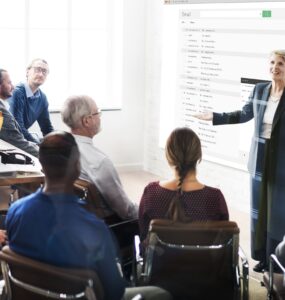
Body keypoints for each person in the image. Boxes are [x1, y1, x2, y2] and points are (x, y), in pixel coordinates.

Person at [6, 131, 172, 300]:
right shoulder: (93, 229)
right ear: (77, 167)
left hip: (30, 295)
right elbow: (114, 291)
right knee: (161, 294)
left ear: (41, 163)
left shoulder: (15, 212)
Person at [194, 49, 285, 272]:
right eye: (272, 62)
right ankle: (261, 258)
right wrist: (215, 116)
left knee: (276, 213)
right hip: (259, 157)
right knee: (257, 211)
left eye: (280, 63)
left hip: (281, 160)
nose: (275, 67)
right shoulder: (260, 89)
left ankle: (276, 260)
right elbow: (244, 114)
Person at [138, 127, 229, 243]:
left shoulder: (151, 192)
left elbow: (143, 234)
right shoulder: (215, 198)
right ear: (199, 156)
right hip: (204, 261)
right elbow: (224, 241)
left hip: (162, 261)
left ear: (168, 156)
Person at [61, 95, 138, 220]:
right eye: (98, 113)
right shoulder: (99, 162)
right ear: (87, 121)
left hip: (72, 219)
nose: (100, 117)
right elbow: (126, 211)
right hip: (108, 227)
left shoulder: (58, 149)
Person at [9, 58, 54, 143]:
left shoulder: (42, 98)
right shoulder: (17, 92)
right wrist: (37, 145)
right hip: (7, 139)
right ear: (27, 72)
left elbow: (47, 128)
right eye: (37, 70)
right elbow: (18, 128)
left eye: (44, 71)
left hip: (19, 138)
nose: (41, 74)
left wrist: (59, 142)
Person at [0, 68, 38, 157]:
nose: (13, 87)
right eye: (9, 83)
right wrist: (47, 158)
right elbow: (17, 142)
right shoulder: (1, 112)